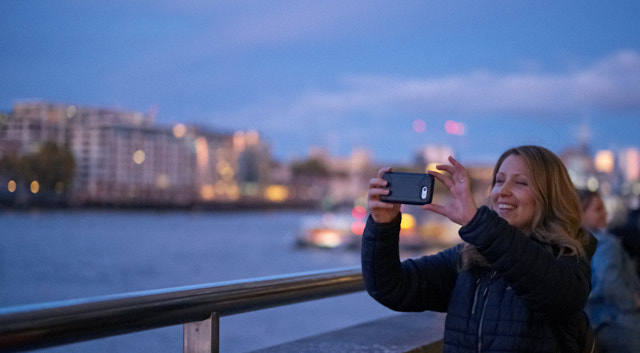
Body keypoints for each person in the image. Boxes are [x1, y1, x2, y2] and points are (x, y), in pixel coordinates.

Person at [362, 145, 597, 353]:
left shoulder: (569, 257)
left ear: (551, 196)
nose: (502, 191)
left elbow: (556, 293)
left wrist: (478, 223)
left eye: (521, 183)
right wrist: (383, 225)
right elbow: (392, 287)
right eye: (499, 180)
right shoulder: (469, 256)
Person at [578, 189, 640, 353]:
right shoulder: (605, 242)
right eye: (598, 209)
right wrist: (633, 302)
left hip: (594, 324)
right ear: (580, 213)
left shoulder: (574, 246)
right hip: (622, 324)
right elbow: (609, 280)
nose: (605, 213)